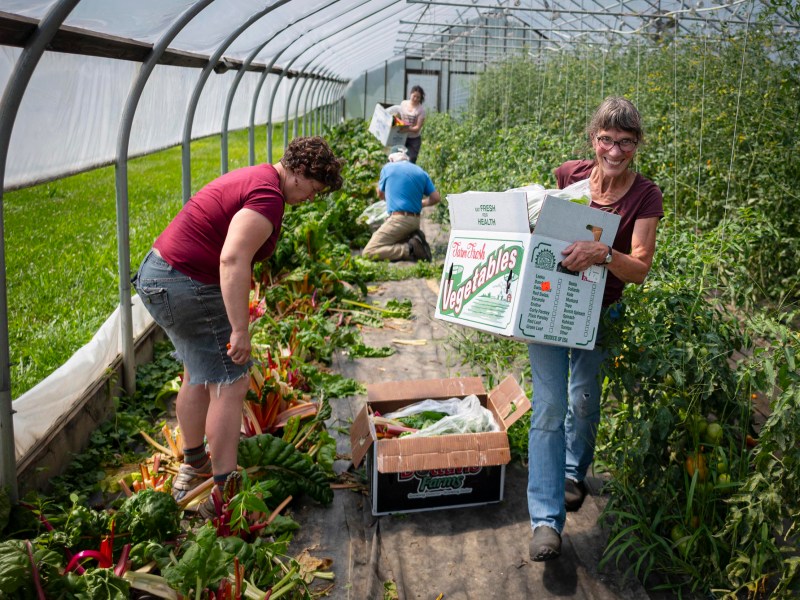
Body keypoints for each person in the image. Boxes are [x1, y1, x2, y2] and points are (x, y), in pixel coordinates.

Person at [132, 136, 343, 518]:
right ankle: (223, 490)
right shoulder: (268, 197)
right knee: (231, 381)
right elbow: (232, 259)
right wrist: (239, 330)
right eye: (312, 190)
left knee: (196, 374)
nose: (310, 199)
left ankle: (192, 464)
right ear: (297, 172)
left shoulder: (261, 178)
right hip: (182, 283)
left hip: (161, 275)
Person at [527, 97, 664, 561]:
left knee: (583, 401)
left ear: (637, 145)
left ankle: (572, 470)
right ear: (594, 139)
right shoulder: (570, 175)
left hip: (601, 312)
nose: (615, 150)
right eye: (607, 139)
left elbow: (641, 268)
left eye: (626, 142)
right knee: (548, 406)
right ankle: (546, 521)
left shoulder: (645, 195)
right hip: (550, 304)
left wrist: (603, 253)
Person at [362, 147, 440, 262]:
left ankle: (410, 249)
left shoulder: (388, 168)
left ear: (391, 158)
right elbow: (436, 198)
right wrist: (421, 203)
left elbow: (380, 194)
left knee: (369, 252)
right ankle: (413, 240)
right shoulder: (420, 171)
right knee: (391, 241)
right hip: (415, 221)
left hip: (399, 220)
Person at [388, 85, 426, 163]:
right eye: (414, 96)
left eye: (418, 97)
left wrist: (407, 129)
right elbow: (399, 115)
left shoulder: (421, 110)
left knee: (410, 160)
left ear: (420, 98)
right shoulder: (403, 104)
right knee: (395, 158)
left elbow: (417, 128)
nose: (415, 99)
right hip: (401, 136)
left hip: (413, 140)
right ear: (410, 94)